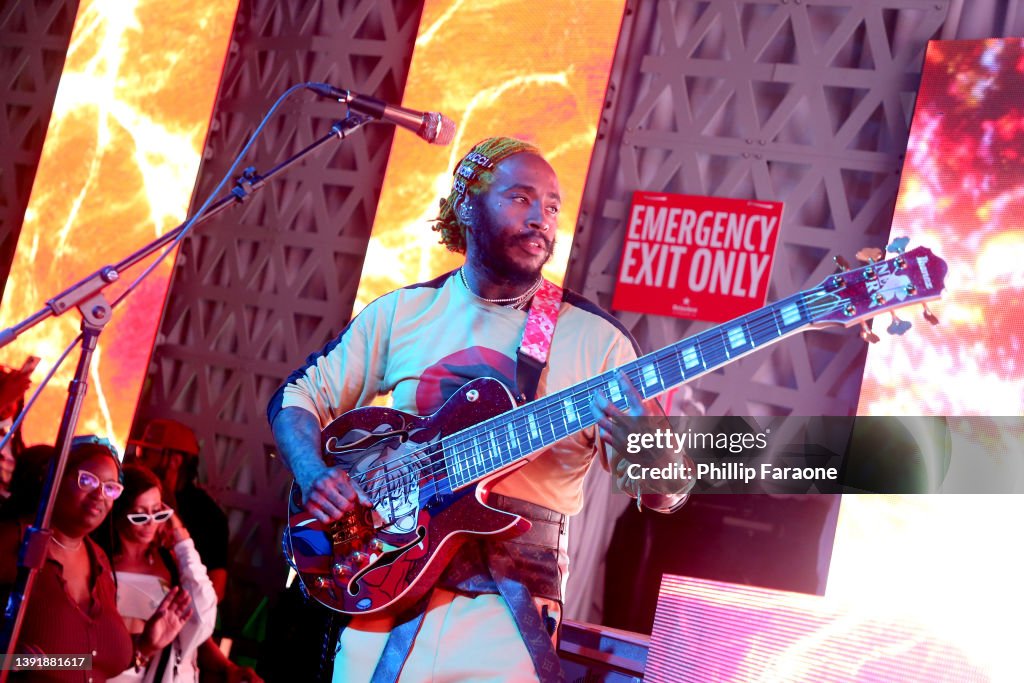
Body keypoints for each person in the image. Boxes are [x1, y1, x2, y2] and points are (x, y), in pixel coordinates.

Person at [268, 137, 690, 682]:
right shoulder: (404, 312)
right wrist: (314, 473)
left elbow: (663, 494)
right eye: (521, 198)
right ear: (467, 205)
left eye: (553, 206)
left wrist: (653, 449)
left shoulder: (598, 340)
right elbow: (295, 397)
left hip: (508, 616)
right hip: (383, 592)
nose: (542, 218)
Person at [0, 436, 193, 682]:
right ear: (55, 480)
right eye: (87, 481)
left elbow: (84, 662)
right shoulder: (14, 542)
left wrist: (144, 645)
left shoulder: (99, 561)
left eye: (110, 488)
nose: (99, 495)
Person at [95, 463, 218, 682]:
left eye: (159, 513)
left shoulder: (169, 560)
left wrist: (181, 537)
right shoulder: (99, 560)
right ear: (119, 513)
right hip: (112, 673)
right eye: (140, 516)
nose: (151, 523)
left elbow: (201, 612)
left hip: (161, 672)